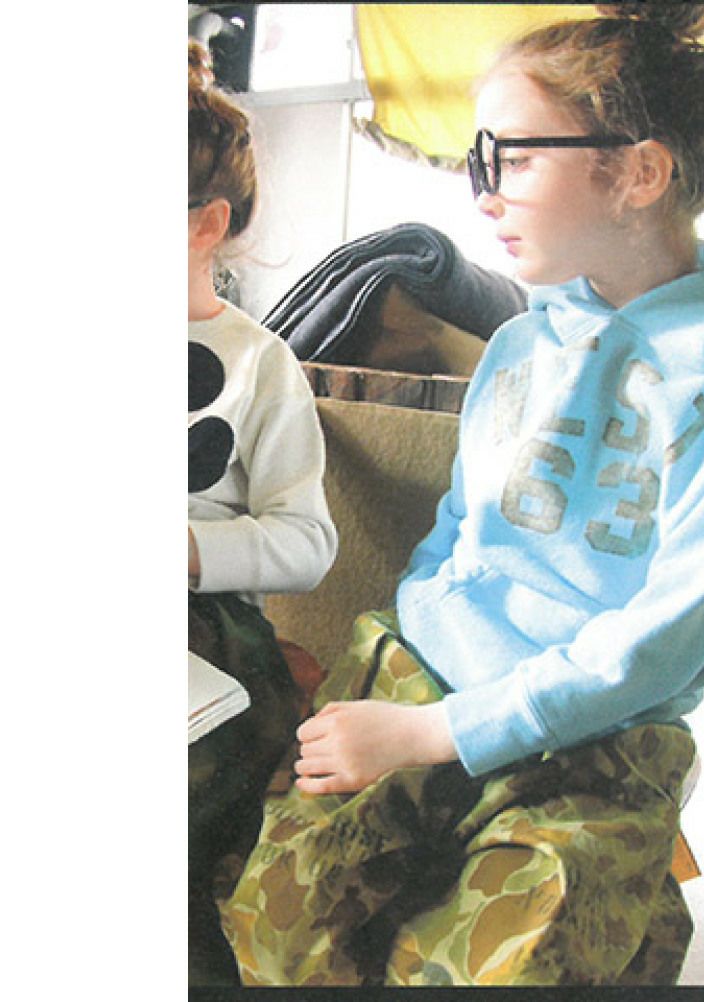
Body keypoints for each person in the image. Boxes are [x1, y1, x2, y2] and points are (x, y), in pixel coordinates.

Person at [221, 2, 704, 986]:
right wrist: (398, 675)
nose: (484, 194)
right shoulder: (520, 346)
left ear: (639, 174)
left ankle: (627, 896)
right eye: (478, 160)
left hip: (600, 734)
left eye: (514, 159)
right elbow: (460, 533)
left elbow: (662, 643)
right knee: (276, 941)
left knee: (497, 969)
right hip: (421, 671)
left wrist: (439, 735)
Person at [187, 39, 338, 986]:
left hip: (202, 630)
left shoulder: (258, 364)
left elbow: (306, 542)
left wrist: (183, 550)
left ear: (205, 223)